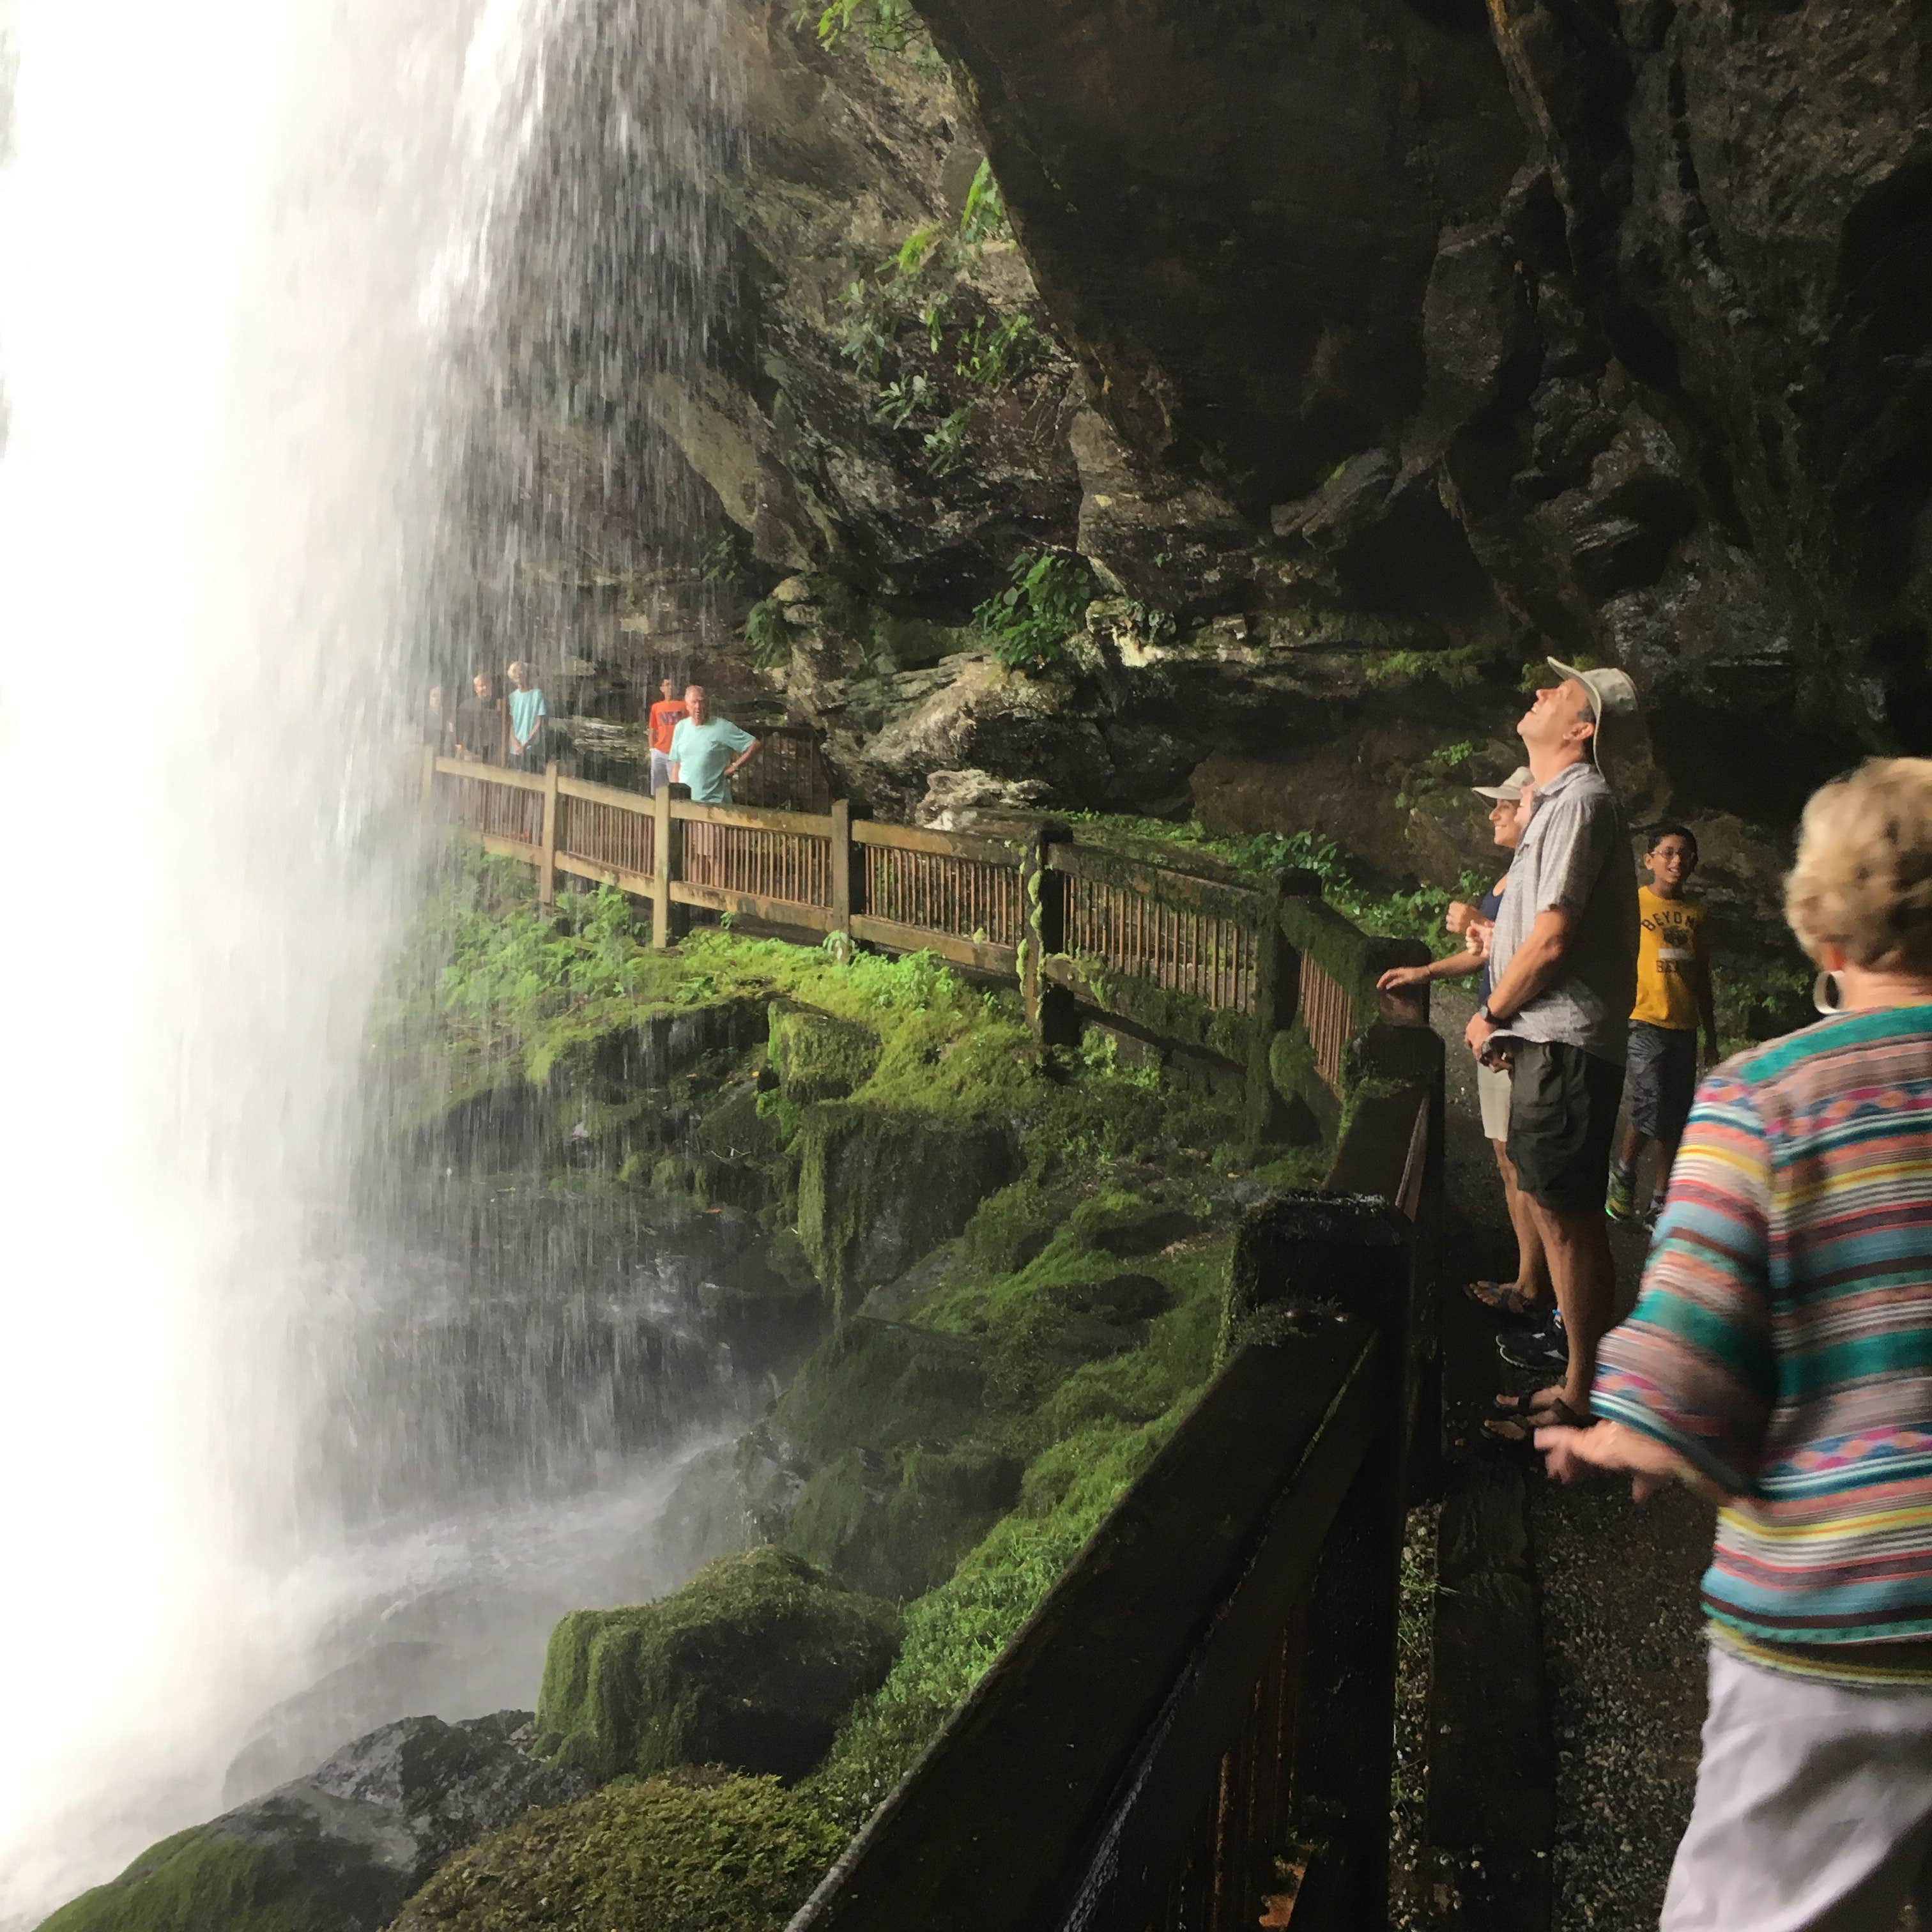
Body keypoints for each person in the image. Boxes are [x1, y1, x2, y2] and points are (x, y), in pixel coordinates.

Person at [1537, 758, 1932, 1930]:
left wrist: (1630, 1434)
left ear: (1816, 920)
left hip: (1838, 1609)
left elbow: (1694, 1341)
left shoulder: (1764, 1095)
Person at [1468, 657, 1640, 1435]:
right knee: (1554, 1203)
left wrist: (1490, 1013)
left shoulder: (1582, 803)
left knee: (1570, 1218)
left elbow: (1554, 938)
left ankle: (1582, 1393)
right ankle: (1578, 1378)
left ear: (1582, 728)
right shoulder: (1558, 806)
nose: (1537, 691)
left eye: (1558, 693)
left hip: (1563, 1041)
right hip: (1546, 1037)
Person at [1380, 766, 1551, 1319]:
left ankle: (1534, 1289)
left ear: (1529, 809)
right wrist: (1426, 972)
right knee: (1505, 1159)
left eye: (1504, 804)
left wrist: (1482, 926)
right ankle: (1527, 1279)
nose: (1494, 813)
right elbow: (1485, 955)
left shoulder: (1536, 877)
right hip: (1494, 1027)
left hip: (1513, 1031)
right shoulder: (1510, 876)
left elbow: (1533, 952)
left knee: (1526, 1163)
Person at [1607, 825, 1718, 1225]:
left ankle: (1659, 1200)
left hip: (1684, 1025)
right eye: (1668, 852)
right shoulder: (1632, 906)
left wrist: (1711, 1036)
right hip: (1643, 1019)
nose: (1676, 861)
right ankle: (1623, 1170)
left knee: (1674, 1115)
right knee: (1650, 1104)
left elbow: (1701, 978)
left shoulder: (1697, 915)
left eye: (1685, 855)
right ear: (1649, 859)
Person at [668, 685, 761, 804]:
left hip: (714, 803)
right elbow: (677, 764)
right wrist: (675, 794)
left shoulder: (722, 728)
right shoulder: (681, 727)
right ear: (687, 705)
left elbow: (754, 745)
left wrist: (734, 767)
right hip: (686, 803)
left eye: (702, 702)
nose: (698, 707)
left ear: (707, 704)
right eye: (694, 702)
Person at [647, 677, 688, 795]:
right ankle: (655, 809)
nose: (670, 687)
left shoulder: (684, 705)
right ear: (662, 689)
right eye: (667, 685)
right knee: (657, 786)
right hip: (659, 751)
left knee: (675, 784)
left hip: (676, 753)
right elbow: (652, 730)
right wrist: (652, 750)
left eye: (672, 685)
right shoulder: (656, 707)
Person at [506, 661, 547, 772]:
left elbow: (539, 722)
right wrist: (515, 743)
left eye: (521, 670)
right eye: (515, 671)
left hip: (532, 750)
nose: (518, 674)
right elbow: (511, 724)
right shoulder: (512, 697)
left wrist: (526, 743)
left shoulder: (537, 694)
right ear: (511, 676)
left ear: (527, 674)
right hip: (515, 750)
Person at [454, 670, 500, 763]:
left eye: (487, 685)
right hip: (469, 752)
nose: (485, 688)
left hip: (492, 755)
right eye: (481, 685)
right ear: (476, 689)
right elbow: (456, 726)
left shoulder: (498, 707)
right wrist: (458, 744)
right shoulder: (466, 706)